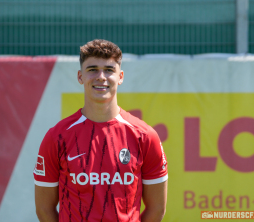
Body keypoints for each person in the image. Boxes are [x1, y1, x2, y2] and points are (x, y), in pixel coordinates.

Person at [34, 39, 168, 222]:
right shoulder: (57, 137)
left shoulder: (145, 136)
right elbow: (44, 208)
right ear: (80, 77)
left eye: (109, 70)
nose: (101, 77)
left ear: (120, 77)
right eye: (92, 70)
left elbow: (157, 208)